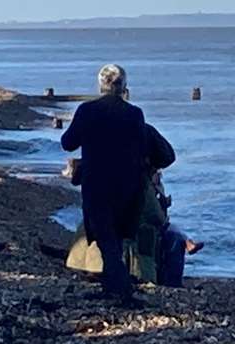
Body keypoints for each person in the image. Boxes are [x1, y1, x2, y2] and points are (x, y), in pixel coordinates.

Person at [61, 64, 174, 302]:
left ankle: (119, 288)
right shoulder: (135, 114)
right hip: (128, 186)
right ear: (124, 88)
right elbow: (150, 148)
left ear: (100, 85)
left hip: (97, 183)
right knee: (118, 237)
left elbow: (68, 142)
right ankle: (117, 286)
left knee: (105, 237)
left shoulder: (87, 110)